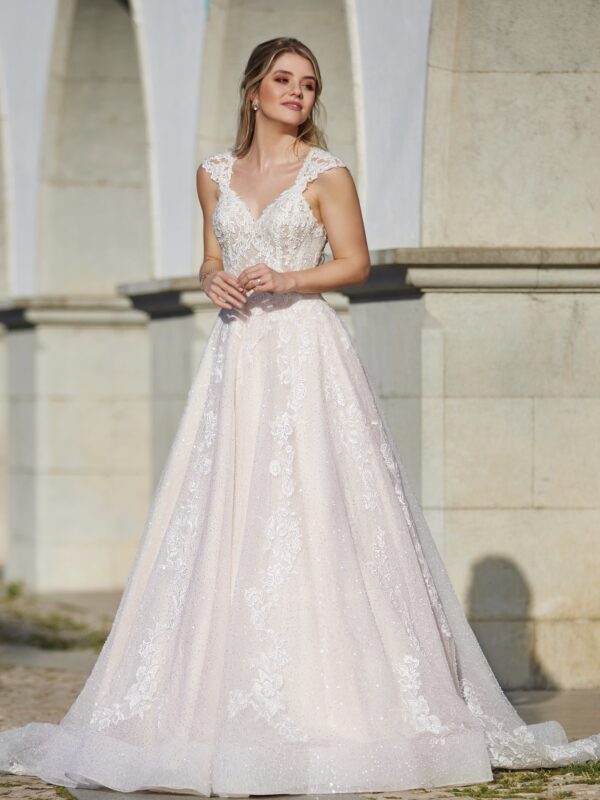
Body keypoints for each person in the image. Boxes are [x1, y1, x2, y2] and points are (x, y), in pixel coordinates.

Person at [1, 35, 599, 797]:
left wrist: (289, 277)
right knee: (226, 507)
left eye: (309, 83)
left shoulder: (327, 174)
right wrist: (212, 279)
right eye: (283, 79)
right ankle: (207, 696)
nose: (297, 92)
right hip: (238, 355)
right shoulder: (213, 174)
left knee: (310, 504)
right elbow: (211, 255)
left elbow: (356, 262)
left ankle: (332, 699)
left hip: (304, 353)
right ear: (253, 90)